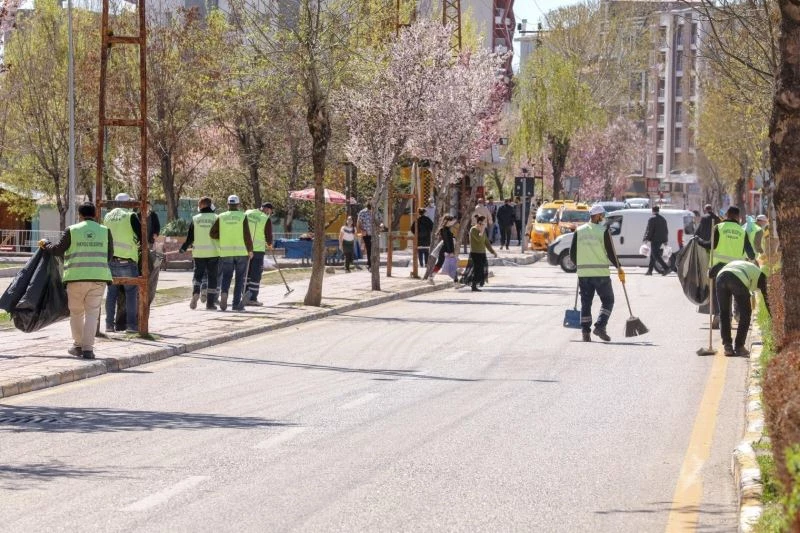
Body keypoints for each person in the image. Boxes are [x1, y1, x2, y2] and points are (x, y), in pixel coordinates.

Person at [39, 202, 113, 359]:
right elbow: (110, 255)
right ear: (95, 215)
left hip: (75, 278)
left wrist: (46, 245)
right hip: (98, 278)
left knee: (76, 313)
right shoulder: (105, 231)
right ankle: (88, 349)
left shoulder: (72, 230)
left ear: (80, 215)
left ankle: (78, 346)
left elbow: (58, 250)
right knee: (93, 314)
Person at [569, 204, 625, 342]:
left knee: (586, 303)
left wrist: (580, 265)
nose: (603, 218)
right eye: (603, 215)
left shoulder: (579, 231)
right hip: (600, 273)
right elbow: (611, 251)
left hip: (584, 275)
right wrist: (619, 267)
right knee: (608, 300)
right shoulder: (603, 231)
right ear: (598, 216)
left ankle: (585, 332)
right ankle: (600, 326)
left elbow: (572, 254)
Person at [699, 205, 755, 327]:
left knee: (719, 293)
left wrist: (699, 241)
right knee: (737, 292)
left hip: (718, 268)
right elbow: (751, 253)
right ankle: (738, 314)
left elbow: (711, 245)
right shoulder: (742, 232)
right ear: (738, 217)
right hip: (737, 269)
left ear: (727, 215)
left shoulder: (719, 227)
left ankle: (720, 315)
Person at [103, 192, 142, 333]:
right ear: (127, 203)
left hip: (111, 260)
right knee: (131, 294)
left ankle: (109, 325)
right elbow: (141, 235)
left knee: (111, 294)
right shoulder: (130, 216)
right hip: (127, 260)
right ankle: (131, 326)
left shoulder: (107, 216)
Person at [716, 260, 770, 357]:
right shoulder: (760, 274)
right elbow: (768, 297)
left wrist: (711, 273)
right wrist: (773, 315)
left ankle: (727, 346)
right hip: (737, 279)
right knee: (746, 314)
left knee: (724, 313)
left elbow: (717, 267)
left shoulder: (741, 265)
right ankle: (739, 346)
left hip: (720, 277)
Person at [210, 195, 253, 311]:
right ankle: (235, 304)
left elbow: (212, 233)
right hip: (241, 252)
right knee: (239, 279)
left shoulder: (221, 216)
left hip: (226, 252)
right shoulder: (242, 216)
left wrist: (223, 236)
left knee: (226, 277)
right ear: (238, 205)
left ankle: (224, 293)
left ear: (228, 204)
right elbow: (246, 235)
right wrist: (250, 250)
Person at [180, 197, 219, 310]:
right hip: (213, 252)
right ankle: (210, 304)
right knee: (212, 278)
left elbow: (190, 237)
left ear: (200, 206)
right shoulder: (216, 218)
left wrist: (183, 248)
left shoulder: (195, 219)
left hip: (199, 253)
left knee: (198, 276)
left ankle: (196, 292)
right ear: (210, 205)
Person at [243, 202, 274, 306]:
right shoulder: (265, 219)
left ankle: (243, 295)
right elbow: (268, 235)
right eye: (270, 211)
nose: (270, 213)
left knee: (246, 273)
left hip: (245, 249)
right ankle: (252, 298)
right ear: (268, 210)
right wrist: (270, 244)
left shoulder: (247, 213)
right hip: (257, 250)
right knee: (255, 275)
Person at [469, 215, 497, 292]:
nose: (482, 225)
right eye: (481, 224)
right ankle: (473, 285)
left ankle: (475, 284)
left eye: (483, 224)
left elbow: (486, 242)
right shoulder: (473, 230)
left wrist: (493, 252)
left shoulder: (483, 231)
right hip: (475, 253)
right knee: (477, 269)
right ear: (477, 223)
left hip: (482, 253)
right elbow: (478, 239)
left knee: (481, 269)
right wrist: (481, 231)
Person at [643, 205, 671, 276]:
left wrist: (646, 238)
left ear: (652, 211)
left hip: (655, 240)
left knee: (655, 255)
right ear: (658, 211)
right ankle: (649, 271)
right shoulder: (663, 219)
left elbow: (649, 230)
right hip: (661, 240)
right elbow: (666, 231)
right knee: (653, 255)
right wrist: (665, 240)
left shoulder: (652, 219)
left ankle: (666, 268)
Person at [430, 214, 457, 282]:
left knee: (443, 264)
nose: (453, 222)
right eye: (452, 221)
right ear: (447, 221)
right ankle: (456, 282)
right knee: (450, 266)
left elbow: (449, 241)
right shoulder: (445, 230)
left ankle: (431, 278)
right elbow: (447, 242)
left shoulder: (446, 229)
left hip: (446, 250)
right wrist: (450, 252)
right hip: (446, 250)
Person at [356, 202, 380, 269]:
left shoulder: (376, 212)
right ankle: (370, 264)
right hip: (366, 234)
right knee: (369, 248)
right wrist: (362, 230)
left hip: (374, 234)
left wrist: (381, 225)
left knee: (374, 249)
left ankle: (373, 263)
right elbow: (358, 223)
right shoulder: (362, 212)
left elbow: (380, 221)